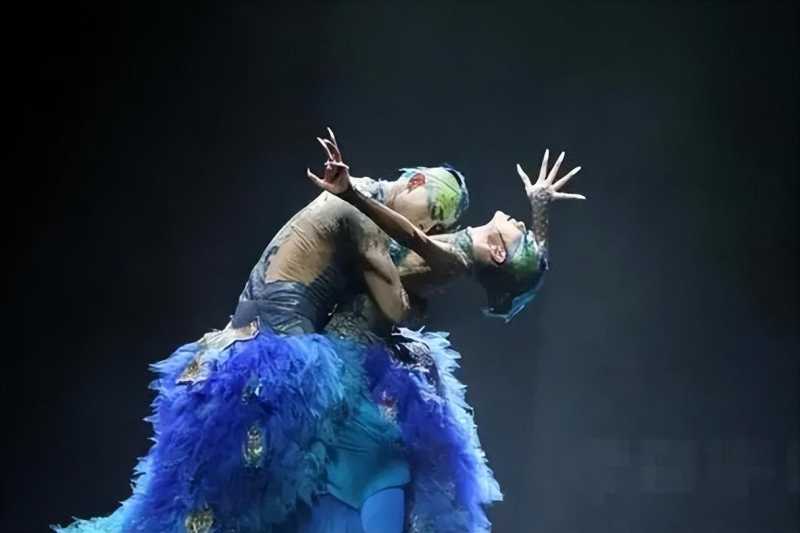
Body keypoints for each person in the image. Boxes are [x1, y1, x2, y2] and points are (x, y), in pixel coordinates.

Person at [51, 131, 470, 533]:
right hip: (284, 344)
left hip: (254, 330)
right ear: (416, 182)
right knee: (354, 455)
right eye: (434, 215)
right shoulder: (362, 212)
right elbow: (395, 307)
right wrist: (439, 269)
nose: (429, 231)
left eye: (439, 228)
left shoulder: (360, 196)